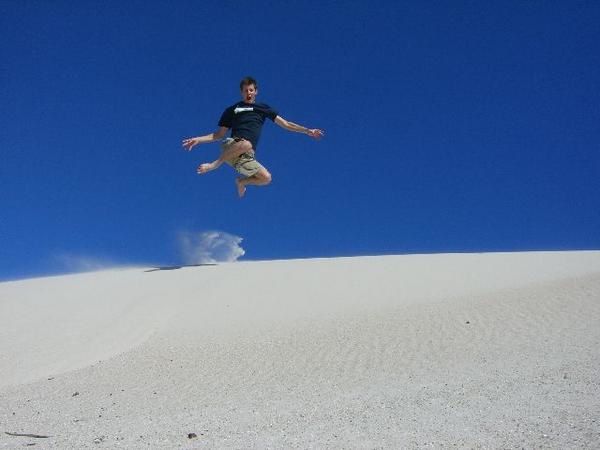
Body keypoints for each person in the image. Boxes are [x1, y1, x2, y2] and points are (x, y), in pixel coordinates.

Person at [182, 76, 325, 197]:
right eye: (245, 91)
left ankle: (241, 182)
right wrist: (198, 140)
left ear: (256, 91)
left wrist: (307, 131)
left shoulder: (262, 108)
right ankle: (213, 165)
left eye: (251, 90)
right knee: (246, 144)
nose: (248, 93)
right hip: (231, 146)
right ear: (241, 93)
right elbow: (219, 134)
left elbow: (286, 124)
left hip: (245, 157)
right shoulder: (232, 110)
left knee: (266, 178)